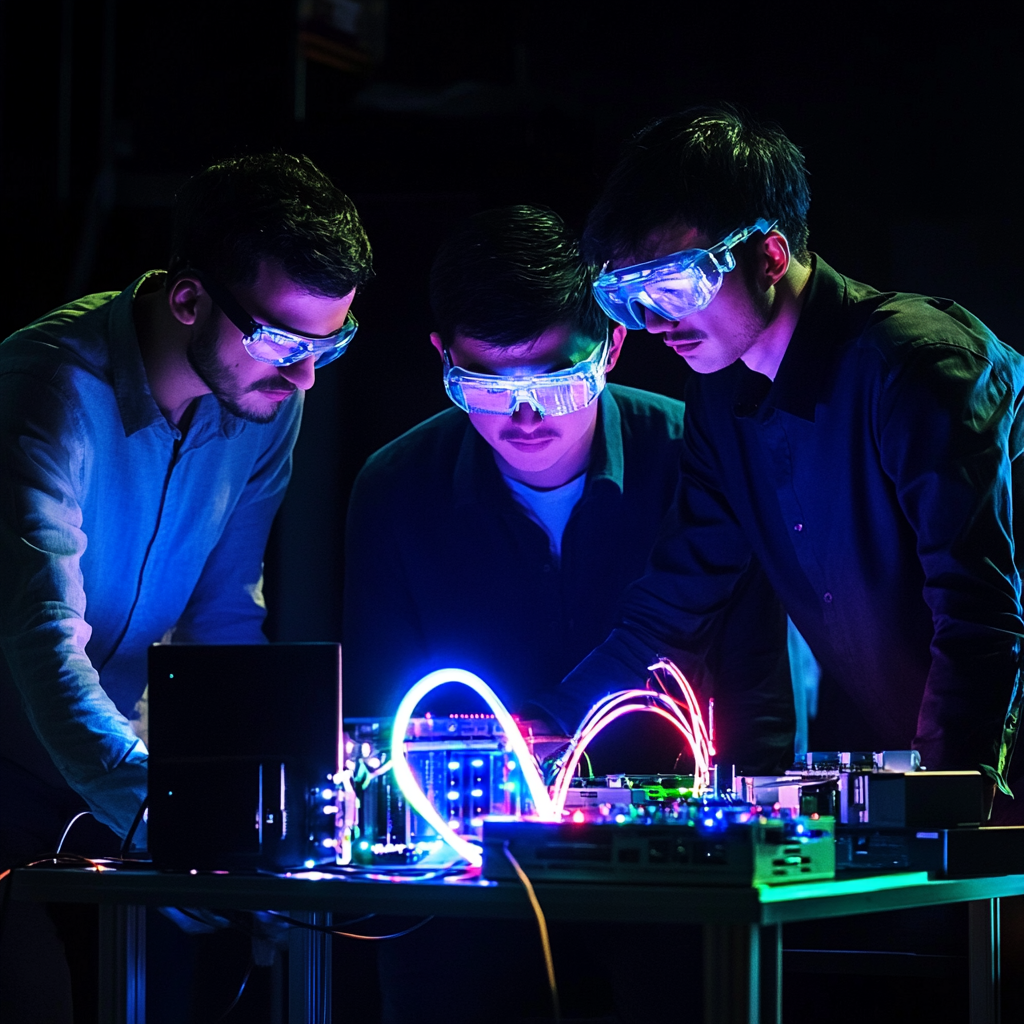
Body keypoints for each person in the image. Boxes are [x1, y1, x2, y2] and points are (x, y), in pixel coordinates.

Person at [343, 204, 793, 1024]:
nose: (524, 416)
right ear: (442, 359)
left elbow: (756, 687)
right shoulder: (396, 489)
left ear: (614, 345)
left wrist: (751, 865)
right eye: (485, 386)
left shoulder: (698, 461)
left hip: (678, 880)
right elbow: (378, 721)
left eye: (556, 380)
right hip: (465, 885)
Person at [536, 105, 1023, 814]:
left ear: (768, 255)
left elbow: (979, 609)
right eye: (632, 298)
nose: (657, 323)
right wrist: (546, 724)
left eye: (675, 286)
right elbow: (674, 606)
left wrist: (946, 799)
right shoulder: (718, 401)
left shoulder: (916, 364)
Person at [0, 152, 372, 1020]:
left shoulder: (269, 401)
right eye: (284, 342)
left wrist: (260, 810)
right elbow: (43, 641)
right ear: (188, 300)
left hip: (114, 763)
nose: (306, 376)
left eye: (332, 344)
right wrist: (164, 813)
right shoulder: (47, 388)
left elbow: (224, 618)